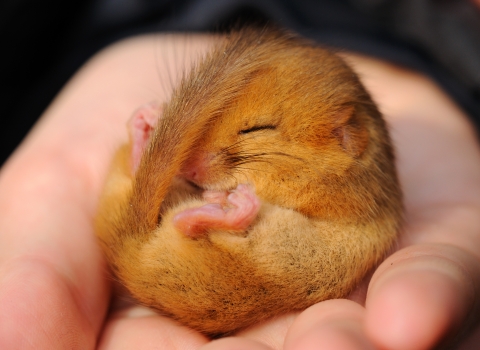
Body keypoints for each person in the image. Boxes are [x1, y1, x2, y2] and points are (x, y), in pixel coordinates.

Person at [0, 31, 479, 349]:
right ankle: (181, 199)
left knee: (319, 256)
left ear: (345, 140)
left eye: (252, 134)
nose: (193, 158)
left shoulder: (347, 173)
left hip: (210, 264)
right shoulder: (300, 125)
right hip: (178, 253)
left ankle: (195, 211)